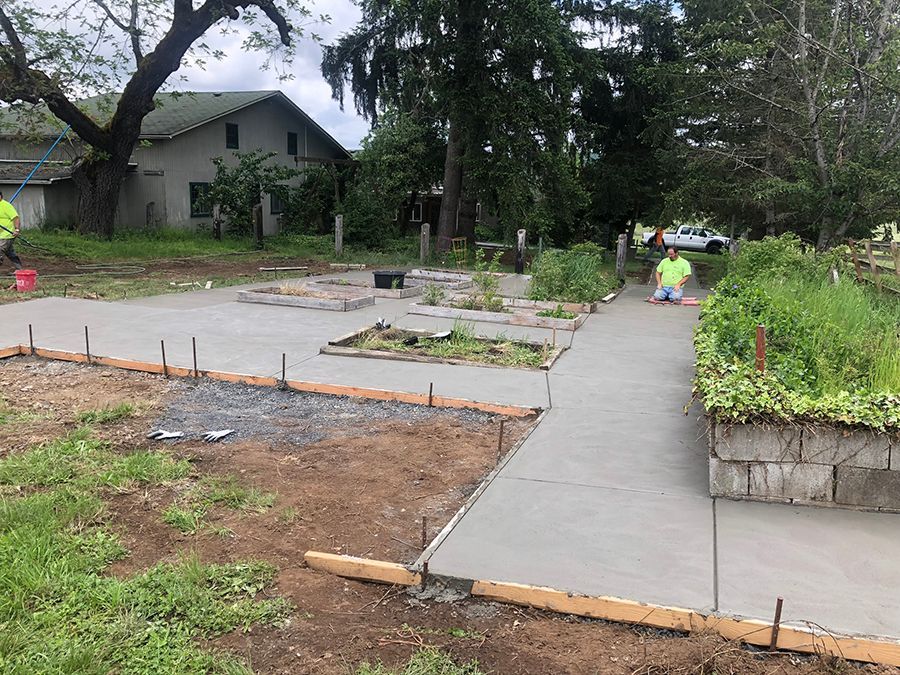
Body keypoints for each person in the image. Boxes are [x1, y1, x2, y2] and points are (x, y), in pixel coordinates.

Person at [0, 191, 23, 270]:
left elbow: (16, 218)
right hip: (1, 234)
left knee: (0, 249)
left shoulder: (6, 206)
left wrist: (17, 229)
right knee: (10, 253)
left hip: (7, 234)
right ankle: (19, 269)